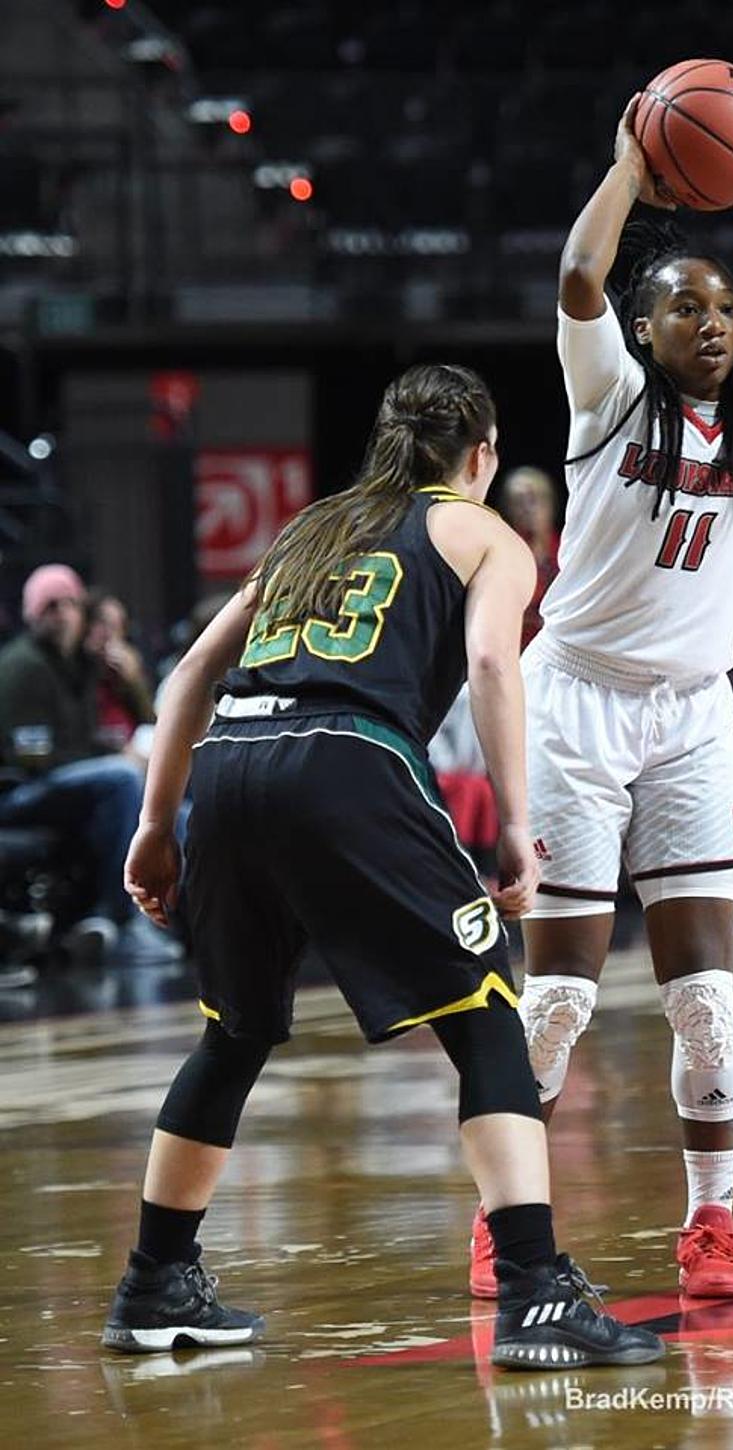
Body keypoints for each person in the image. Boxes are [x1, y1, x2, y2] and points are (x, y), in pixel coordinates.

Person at [101, 362, 663, 1370]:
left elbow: (191, 670)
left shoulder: (307, 529)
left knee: (233, 1034)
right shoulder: (483, 531)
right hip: (347, 762)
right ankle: (536, 1292)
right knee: (486, 1012)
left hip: (228, 763)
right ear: (480, 453)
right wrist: (512, 824)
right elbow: (493, 664)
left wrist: (155, 826)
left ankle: (153, 1282)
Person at [468, 99, 733, 1300]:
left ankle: (710, 1225)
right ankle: (508, 1219)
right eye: (686, 307)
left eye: (725, 308)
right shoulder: (604, 400)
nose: (709, 322)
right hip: (576, 708)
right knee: (556, 1000)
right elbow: (577, 272)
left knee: (703, 997)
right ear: (644, 328)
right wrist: (625, 168)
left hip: (693, 716)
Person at [0, 564, 179, 964]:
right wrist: (109, 756)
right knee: (121, 778)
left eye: (69, 604)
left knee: (174, 810)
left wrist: (131, 680)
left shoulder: (80, 667)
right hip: (17, 790)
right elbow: (26, 754)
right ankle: (118, 919)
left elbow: (146, 721)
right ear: (32, 614)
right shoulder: (21, 666)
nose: (61, 613)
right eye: (50, 606)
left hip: (60, 783)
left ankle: (183, 922)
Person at [496, 467, 561, 650]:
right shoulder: (502, 553)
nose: (527, 508)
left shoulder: (568, 551)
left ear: (550, 503)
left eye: (534, 499)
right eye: (518, 501)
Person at [85, 591, 156, 754]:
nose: (109, 634)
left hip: (134, 744)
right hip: (105, 752)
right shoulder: (79, 667)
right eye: (103, 623)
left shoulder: (127, 664)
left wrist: (134, 680)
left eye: (117, 626)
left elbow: (149, 721)